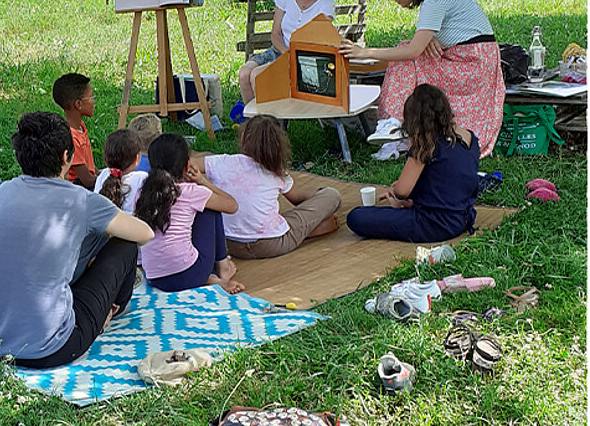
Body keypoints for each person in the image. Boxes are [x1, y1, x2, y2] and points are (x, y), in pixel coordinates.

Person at [0, 112, 154, 368]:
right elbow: (145, 234)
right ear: (67, 157)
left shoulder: (4, 191)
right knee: (124, 245)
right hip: (50, 348)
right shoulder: (81, 201)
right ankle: (113, 309)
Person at [339, 0, 504, 158]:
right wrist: (431, 38)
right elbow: (434, 37)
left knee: (405, 59)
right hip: (474, 59)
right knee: (409, 54)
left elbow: (413, 51)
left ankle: (392, 124)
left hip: (472, 64)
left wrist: (364, 53)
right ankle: (399, 128)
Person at [195, 115, 341, 260]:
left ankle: (303, 228)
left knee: (270, 219)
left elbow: (188, 164)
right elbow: (297, 199)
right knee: (332, 195)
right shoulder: (275, 171)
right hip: (272, 244)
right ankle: (308, 230)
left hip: (228, 244)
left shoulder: (221, 162)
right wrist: (318, 205)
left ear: (243, 137)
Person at [346, 84, 479, 243]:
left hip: (433, 224)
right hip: (464, 217)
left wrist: (394, 193)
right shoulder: (469, 137)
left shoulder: (427, 145)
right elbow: (447, 180)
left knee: (356, 217)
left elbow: (401, 191)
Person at [134, 133, 244, 294]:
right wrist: (202, 182)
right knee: (210, 208)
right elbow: (232, 205)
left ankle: (210, 278)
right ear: (186, 167)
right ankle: (223, 267)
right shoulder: (190, 191)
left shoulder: (142, 193)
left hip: (155, 277)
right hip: (190, 275)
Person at [236, 0, 335, 106]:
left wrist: (293, 57)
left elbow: (320, 39)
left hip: (305, 58)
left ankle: (270, 119)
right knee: (244, 73)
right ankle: (253, 119)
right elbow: (275, 34)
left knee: (258, 76)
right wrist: (286, 53)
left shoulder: (326, 3)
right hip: (280, 50)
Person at [53, 72, 98, 188]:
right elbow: (87, 180)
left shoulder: (80, 126)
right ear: (78, 104)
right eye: (91, 98)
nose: (94, 102)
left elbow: (90, 168)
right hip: (80, 189)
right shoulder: (71, 137)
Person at [94, 129, 148, 215]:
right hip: (129, 223)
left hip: (100, 221)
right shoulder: (142, 178)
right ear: (137, 158)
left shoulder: (104, 174)